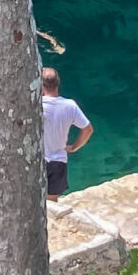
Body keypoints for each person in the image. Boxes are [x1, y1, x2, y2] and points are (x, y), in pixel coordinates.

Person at [41, 68, 93, 199]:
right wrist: (75, 146)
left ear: (40, 84)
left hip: (36, 160)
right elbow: (88, 129)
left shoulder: (35, 105)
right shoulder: (70, 105)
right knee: (52, 201)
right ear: (58, 83)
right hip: (58, 161)